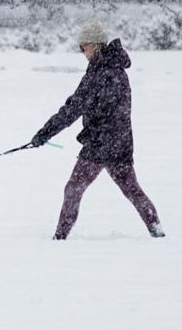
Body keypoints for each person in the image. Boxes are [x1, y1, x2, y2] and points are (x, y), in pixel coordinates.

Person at [31, 21, 164, 239]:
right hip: (121, 142)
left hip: (101, 143)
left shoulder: (99, 74)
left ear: (95, 45)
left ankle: (59, 238)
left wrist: (44, 134)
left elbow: (72, 109)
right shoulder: (117, 71)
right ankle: (156, 230)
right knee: (132, 189)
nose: (82, 52)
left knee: (73, 189)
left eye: (83, 47)